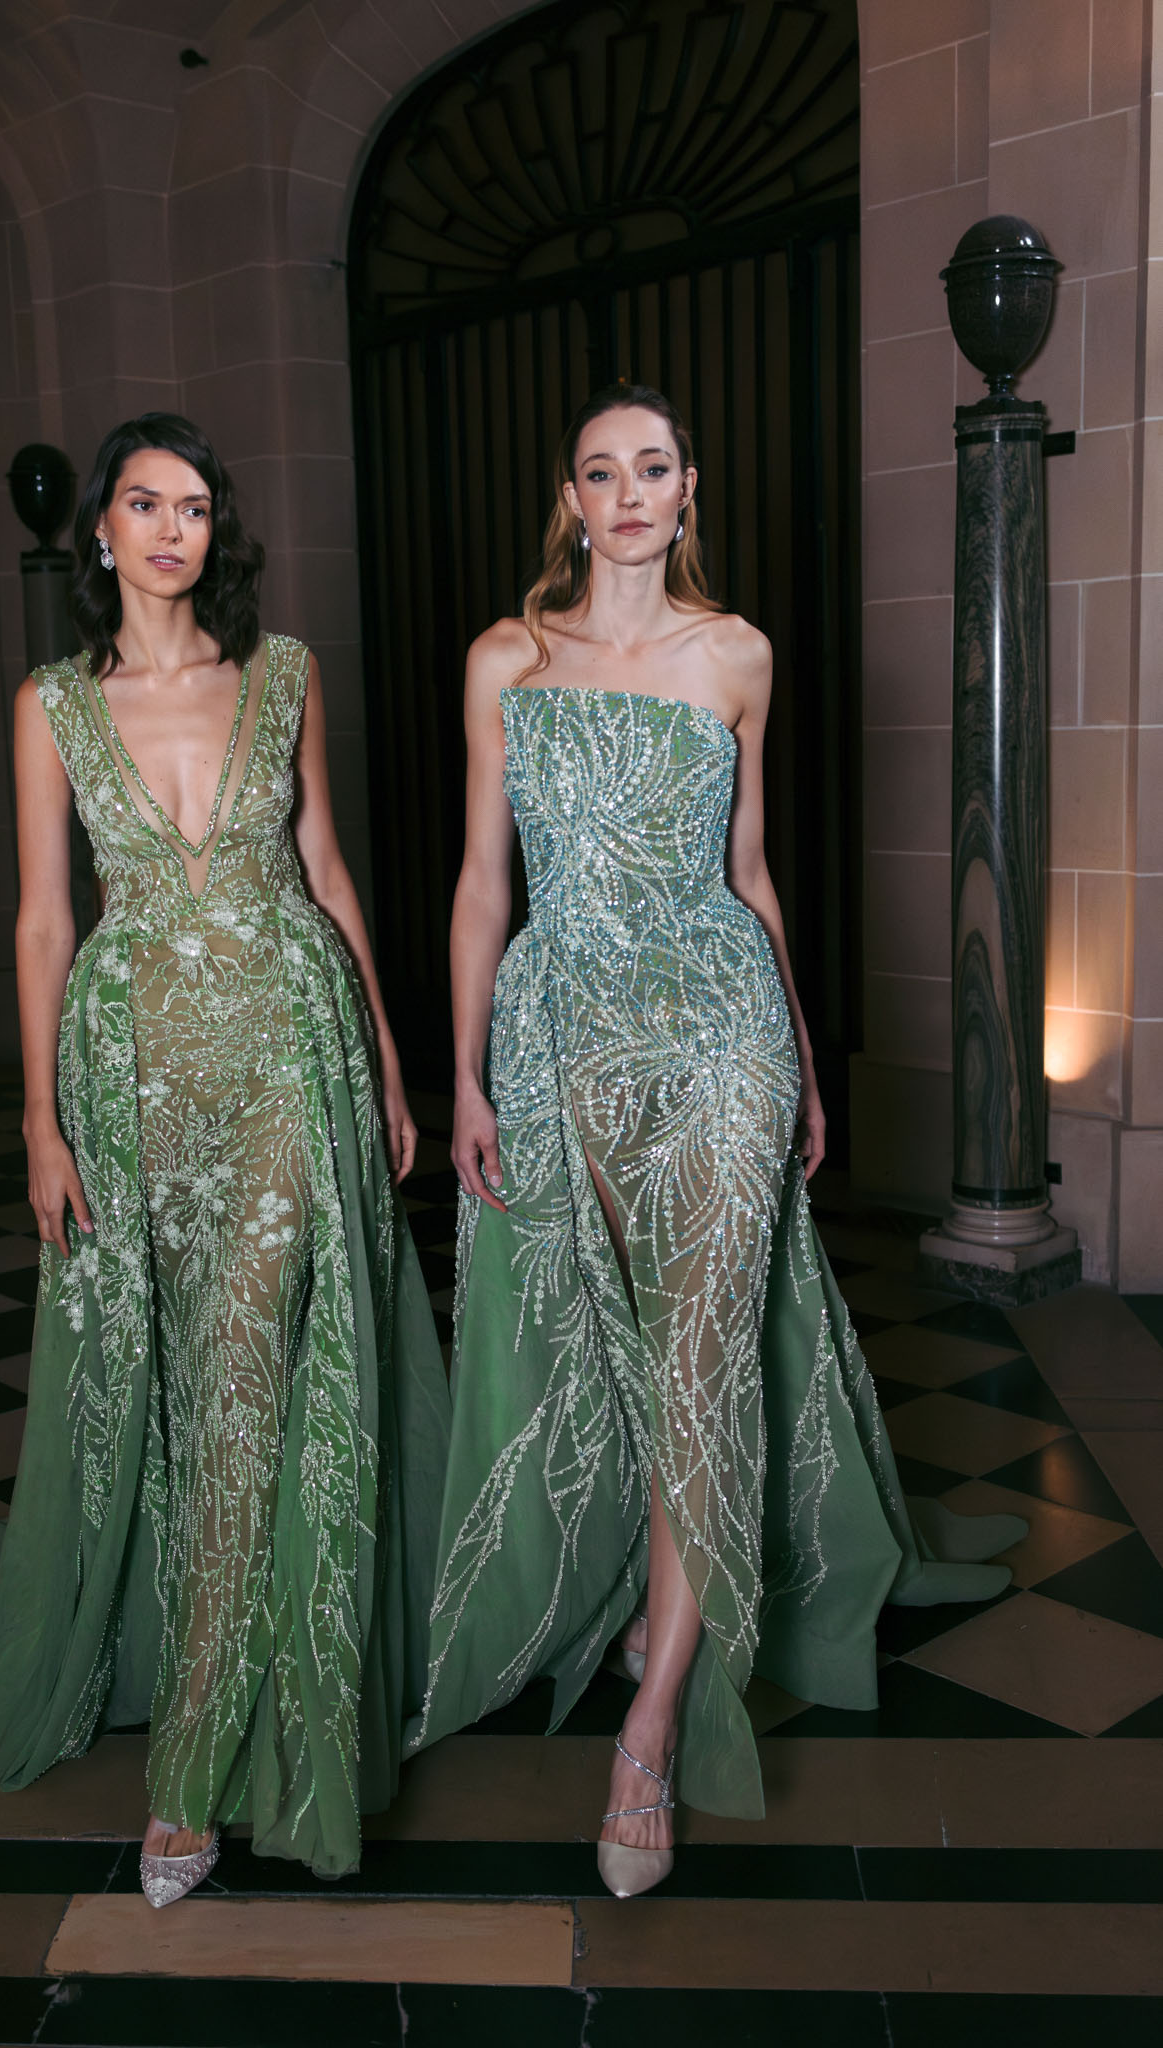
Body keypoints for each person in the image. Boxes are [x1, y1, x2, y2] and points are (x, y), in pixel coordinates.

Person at [411, 382, 1024, 1900]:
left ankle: (654, 1729)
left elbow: (749, 871)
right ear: (570, 499)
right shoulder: (505, 657)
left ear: (689, 489)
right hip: (564, 1027)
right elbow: (482, 883)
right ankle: (638, 1607)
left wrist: (800, 1056)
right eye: (600, 471)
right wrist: (466, 1077)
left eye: (654, 468)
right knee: (619, 1337)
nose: (629, 493)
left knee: (701, 1351)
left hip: (718, 1026)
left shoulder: (736, 653)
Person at [0, 413, 450, 1904]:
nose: (173, 530)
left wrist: (384, 1053)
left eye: (193, 506)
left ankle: (193, 1771)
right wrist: (40, 1119)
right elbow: (45, 918)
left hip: (290, 1047)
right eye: (144, 504)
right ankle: (228, 1677)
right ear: (102, 533)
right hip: (136, 1079)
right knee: (185, 1387)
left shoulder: (282, 673)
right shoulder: (53, 704)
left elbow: (327, 872)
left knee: (247, 1371)